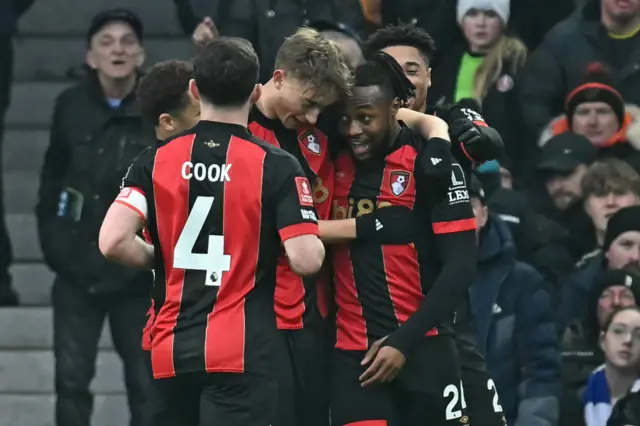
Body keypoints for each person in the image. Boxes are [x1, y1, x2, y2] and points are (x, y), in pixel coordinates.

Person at [99, 37, 325, 426]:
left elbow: (113, 241)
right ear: (255, 92)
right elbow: (305, 259)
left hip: (171, 349)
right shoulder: (277, 165)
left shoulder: (154, 160)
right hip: (243, 353)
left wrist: (163, 258)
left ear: (194, 90)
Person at [366, 23, 508, 426]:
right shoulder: (353, 134)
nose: (401, 78)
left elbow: (486, 144)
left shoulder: (452, 116)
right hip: (371, 313)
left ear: (429, 77)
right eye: (388, 68)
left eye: (411, 70)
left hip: (444, 311)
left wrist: (447, 131)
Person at [328, 51, 477, 426]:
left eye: (365, 119)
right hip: (354, 354)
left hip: (423, 347)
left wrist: (403, 340)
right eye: (345, 119)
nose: (353, 130)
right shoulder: (329, 158)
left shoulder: (431, 164)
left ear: (395, 107)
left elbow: (461, 266)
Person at [36, 9, 153, 426]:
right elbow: (51, 184)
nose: (117, 49)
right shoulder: (70, 106)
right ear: (90, 57)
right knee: (70, 384)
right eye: (106, 42)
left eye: (127, 41)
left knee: (147, 387)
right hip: (76, 270)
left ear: (141, 54)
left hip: (137, 273)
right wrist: (57, 247)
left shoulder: (157, 108)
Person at [468, 176, 562, 426]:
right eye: (448, 207)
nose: (458, 217)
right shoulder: (416, 278)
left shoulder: (522, 281)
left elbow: (541, 369)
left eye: (468, 206)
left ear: (484, 214)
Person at [135, 59, 201, 376]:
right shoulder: (241, 161)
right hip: (227, 332)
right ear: (168, 122)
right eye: (200, 113)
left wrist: (163, 258)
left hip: (166, 329)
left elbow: (116, 241)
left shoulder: (148, 167)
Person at [584, 306, 640, 426]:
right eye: (619, 331)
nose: (628, 340)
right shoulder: (574, 394)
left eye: (638, 335)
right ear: (603, 340)